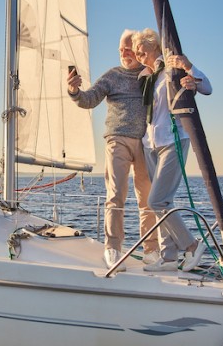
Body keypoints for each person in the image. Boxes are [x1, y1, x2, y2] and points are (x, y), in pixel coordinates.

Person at [67, 29, 159, 271]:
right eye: (120, 50)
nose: (124, 53)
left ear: (138, 50)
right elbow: (89, 99)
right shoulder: (112, 76)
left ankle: (151, 251)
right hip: (117, 139)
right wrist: (74, 91)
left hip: (144, 141)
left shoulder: (149, 74)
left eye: (128, 49)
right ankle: (113, 249)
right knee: (116, 194)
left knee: (147, 199)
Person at [131, 28, 212, 272]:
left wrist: (191, 75)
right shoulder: (145, 76)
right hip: (151, 144)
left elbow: (206, 87)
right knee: (162, 202)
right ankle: (168, 258)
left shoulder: (172, 69)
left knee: (157, 200)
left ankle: (191, 245)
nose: (137, 54)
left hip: (173, 139)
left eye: (140, 49)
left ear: (153, 45)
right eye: (135, 51)